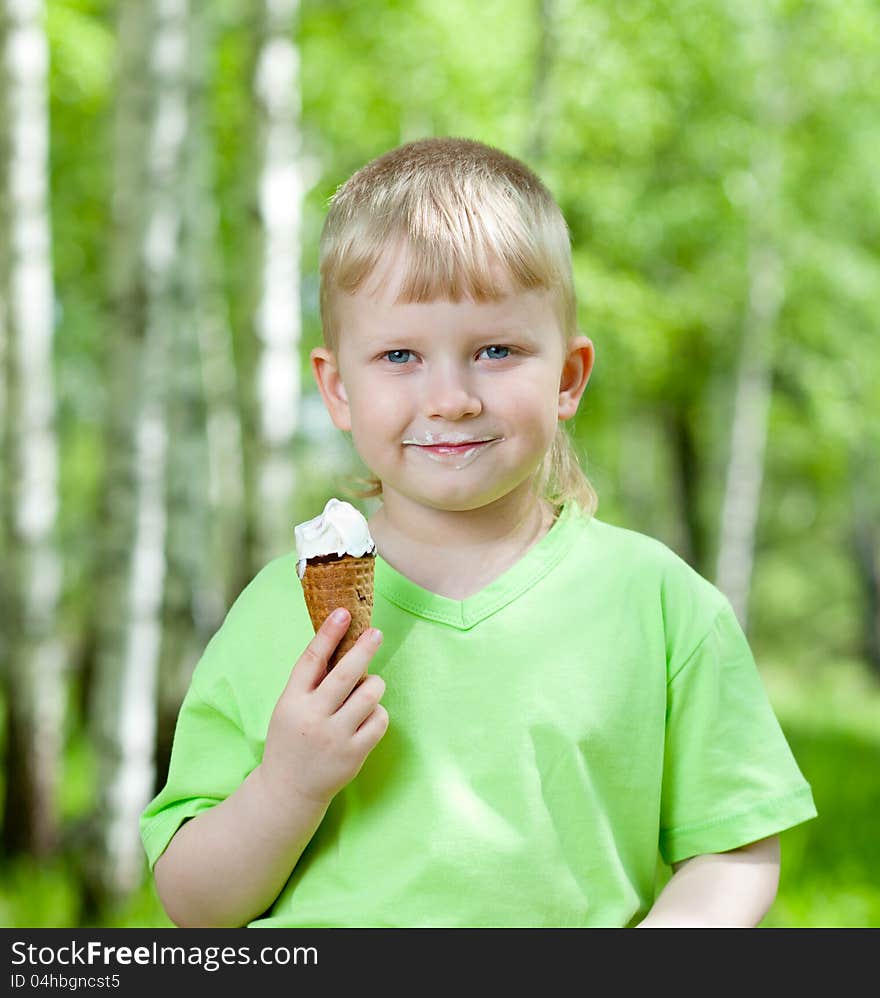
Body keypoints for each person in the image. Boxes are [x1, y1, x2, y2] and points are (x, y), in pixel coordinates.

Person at [140, 136, 817, 928]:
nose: (451, 397)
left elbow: (734, 847)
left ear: (566, 376)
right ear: (338, 388)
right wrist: (289, 784)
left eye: (496, 350)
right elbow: (194, 904)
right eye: (399, 355)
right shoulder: (280, 614)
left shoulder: (661, 603)